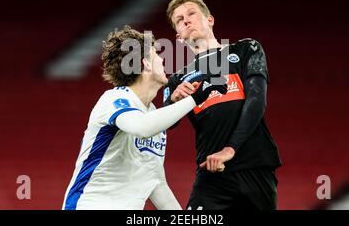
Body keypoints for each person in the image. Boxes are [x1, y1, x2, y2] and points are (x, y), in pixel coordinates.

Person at [62, 26, 226, 210]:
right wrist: (196, 98)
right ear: (145, 63)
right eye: (156, 54)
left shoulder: (153, 114)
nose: (162, 59)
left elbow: (156, 182)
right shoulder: (114, 99)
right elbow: (143, 127)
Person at [163, 0, 282, 210]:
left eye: (192, 14)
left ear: (210, 20)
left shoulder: (247, 49)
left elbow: (257, 100)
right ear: (179, 38)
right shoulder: (178, 80)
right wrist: (173, 102)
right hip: (211, 171)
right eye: (180, 20)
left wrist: (231, 148)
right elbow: (164, 125)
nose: (186, 21)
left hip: (254, 166)